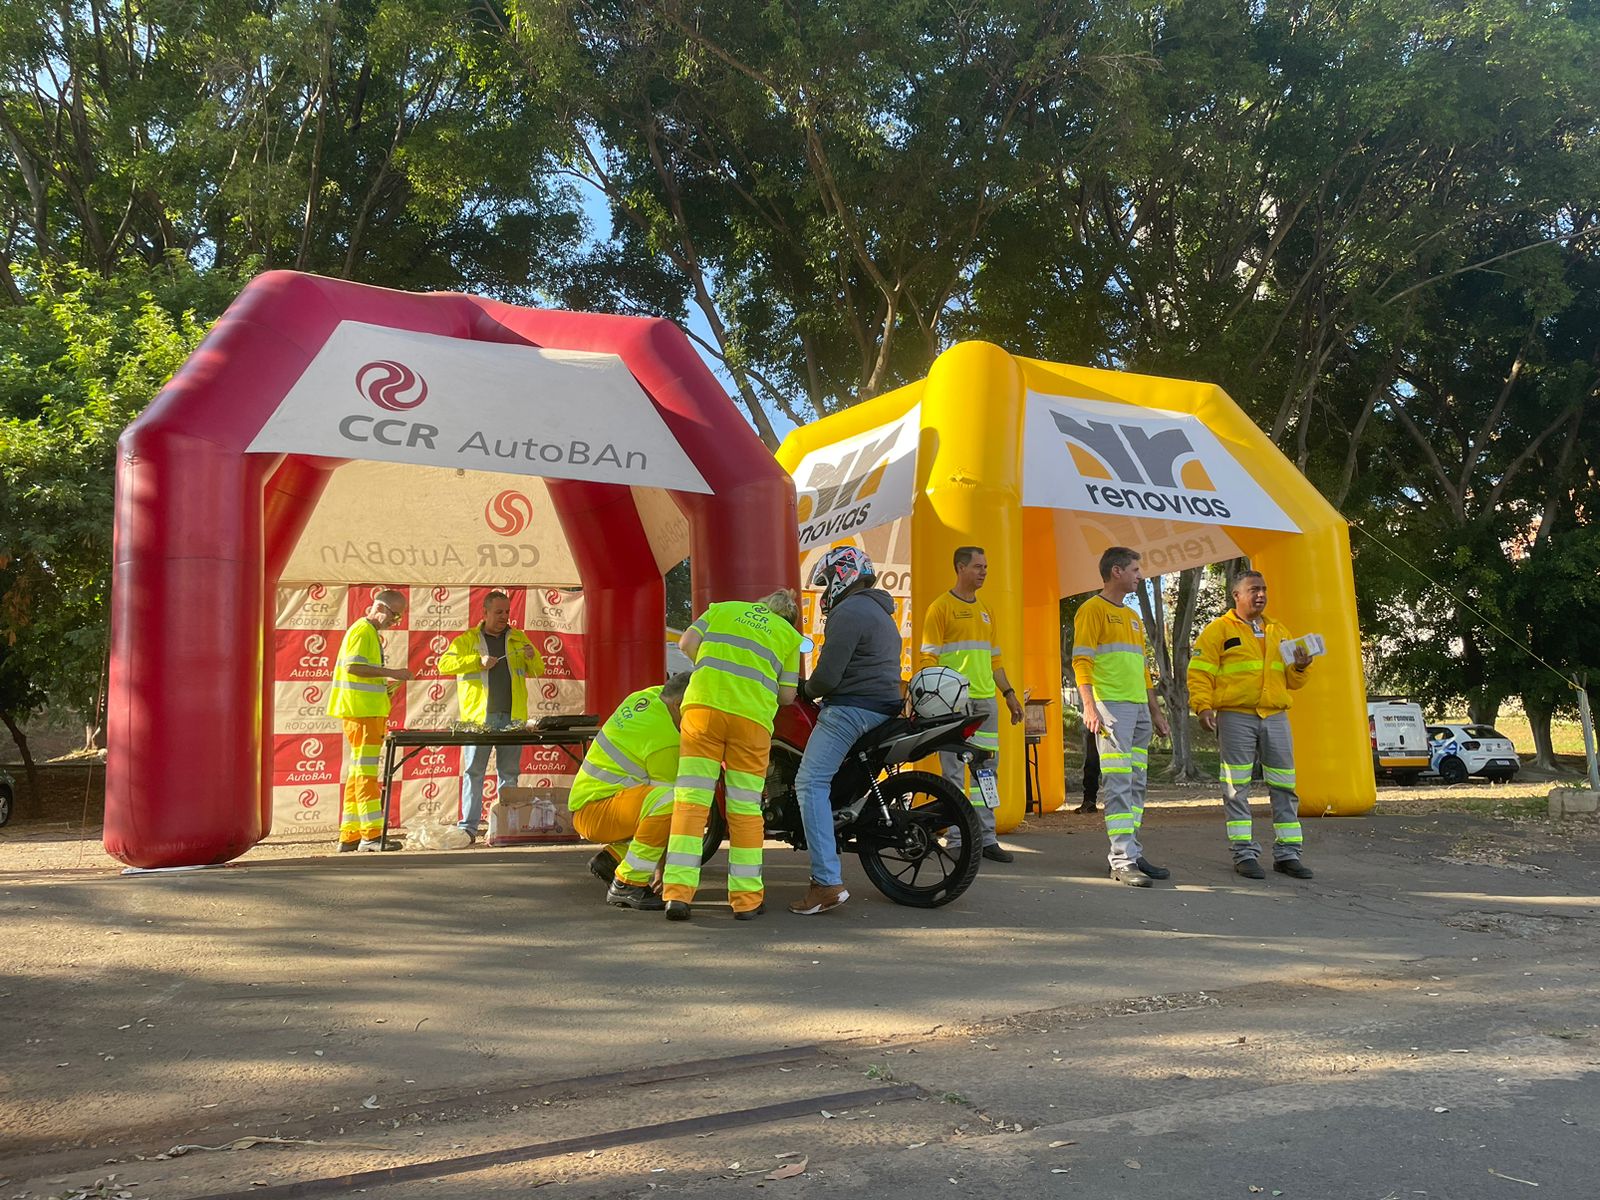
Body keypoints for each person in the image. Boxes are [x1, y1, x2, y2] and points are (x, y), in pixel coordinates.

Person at [662, 589, 805, 921]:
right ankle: (746, 900)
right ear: (788, 617)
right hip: (751, 722)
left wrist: (714, 670)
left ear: (761, 605)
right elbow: (786, 696)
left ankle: (678, 896)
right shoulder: (789, 635)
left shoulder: (723, 608)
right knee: (744, 810)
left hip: (702, 711)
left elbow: (685, 644)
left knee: (691, 802)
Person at [789, 547, 904, 916]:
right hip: (883, 707)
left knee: (809, 782)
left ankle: (825, 882)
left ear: (842, 575)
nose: (824, 592)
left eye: (825, 583)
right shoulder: (880, 611)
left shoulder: (849, 611)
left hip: (852, 709)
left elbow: (827, 676)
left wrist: (802, 691)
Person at [1187, 570, 1315, 880]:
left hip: (1275, 715)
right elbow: (1199, 673)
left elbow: (1293, 681)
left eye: (1264, 589)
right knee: (1236, 786)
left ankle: (1287, 854)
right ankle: (1244, 853)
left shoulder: (1278, 630)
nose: (1261, 594)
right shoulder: (1217, 630)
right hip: (1236, 715)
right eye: (1253, 589)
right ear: (1237, 595)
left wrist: (1300, 667)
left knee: (1285, 785)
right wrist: (1203, 707)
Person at [918, 546, 1025, 863]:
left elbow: (996, 660)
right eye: (978, 566)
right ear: (960, 568)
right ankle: (955, 838)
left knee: (986, 772)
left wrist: (1009, 695)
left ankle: (986, 838)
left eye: (987, 567)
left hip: (986, 703)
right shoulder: (940, 608)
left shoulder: (986, 610)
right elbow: (928, 659)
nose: (984, 572)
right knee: (953, 773)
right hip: (952, 704)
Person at [1072, 547, 1171, 886]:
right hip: (1111, 708)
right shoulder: (1091, 610)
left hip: (1139, 710)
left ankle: (1131, 851)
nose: (1139, 576)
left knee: (1138, 784)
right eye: (1135, 569)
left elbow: (1143, 670)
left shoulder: (1131, 617)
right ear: (1116, 571)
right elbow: (1081, 661)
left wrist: (1156, 712)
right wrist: (1089, 706)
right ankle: (1121, 860)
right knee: (1118, 784)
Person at [568, 673, 692, 910]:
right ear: (679, 704)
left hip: (591, 804)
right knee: (677, 802)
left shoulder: (649, 695)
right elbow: (666, 813)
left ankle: (612, 859)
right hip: (598, 813)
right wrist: (662, 872)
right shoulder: (667, 740)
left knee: (660, 804)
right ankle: (628, 884)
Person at [435, 590, 545, 842]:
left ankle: (503, 826)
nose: (504, 617)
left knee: (509, 772)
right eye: (498, 612)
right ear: (484, 613)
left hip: (512, 717)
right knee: (474, 771)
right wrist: (477, 661)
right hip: (478, 719)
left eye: (507, 612)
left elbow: (538, 668)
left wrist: (533, 656)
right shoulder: (468, 639)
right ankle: (468, 828)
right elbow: (444, 664)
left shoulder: (518, 638)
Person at [326, 588, 413, 851]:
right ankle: (372, 836)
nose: (394, 623)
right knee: (366, 775)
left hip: (363, 710)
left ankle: (350, 835)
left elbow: (359, 671)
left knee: (357, 774)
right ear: (383, 608)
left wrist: (383, 682)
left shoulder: (366, 631)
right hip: (363, 712)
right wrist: (392, 672)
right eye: (395, 616)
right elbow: (353, 667)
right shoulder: (364, 631)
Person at [1076, 725, 1101, 814]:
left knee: (1092, 760)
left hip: (1118, 722)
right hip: (1097, 723)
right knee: (1091, 760)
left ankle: (1089, 801)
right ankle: (1089, 801)